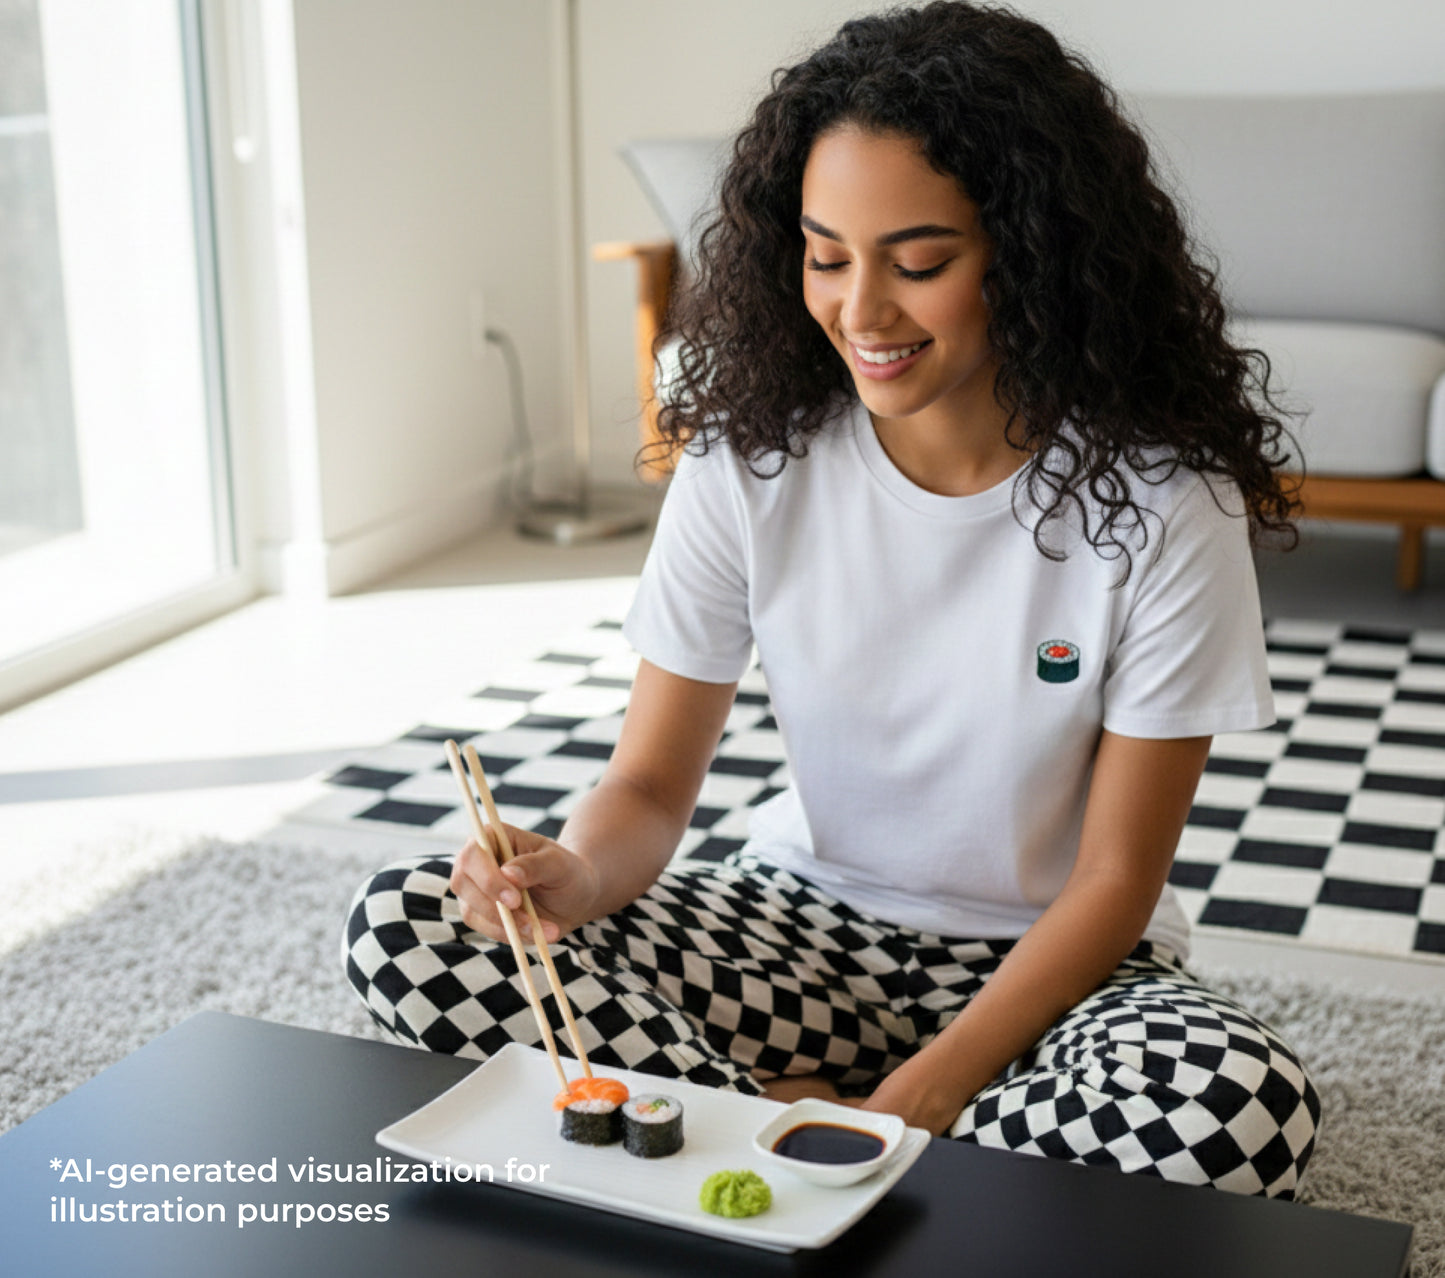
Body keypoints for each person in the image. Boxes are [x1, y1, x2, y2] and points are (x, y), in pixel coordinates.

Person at [343, 1, 1320, 1198]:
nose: (861, 311)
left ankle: (745, 1144)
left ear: (1030, 251)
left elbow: (1114, 883)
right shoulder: (748, 458)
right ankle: (829, 1149)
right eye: (823, 256)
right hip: (802, 930)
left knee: (1238, 1106)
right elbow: (649, 788)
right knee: (404, 924)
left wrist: (923, 1092)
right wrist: (575, 878)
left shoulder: (1163, 503)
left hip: (1049, 966)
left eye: (918, 263)